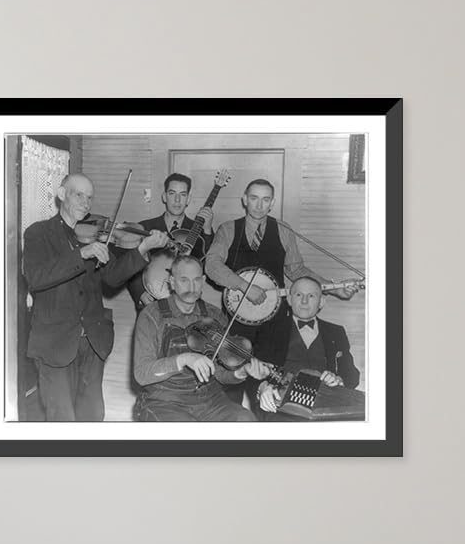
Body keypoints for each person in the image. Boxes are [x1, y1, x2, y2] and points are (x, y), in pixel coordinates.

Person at [22, 173, 169, 422]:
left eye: (89, 197)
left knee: (92, 416)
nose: (86, 202)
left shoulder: (96, 235)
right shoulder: (38, 233)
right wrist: (81, 255)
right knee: (61, 419)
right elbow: (36, 277)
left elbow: (112, 278)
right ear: (61, 194)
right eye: (78, 195)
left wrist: (143, 248)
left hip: (92, 342)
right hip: (55, 343)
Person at [204, 177, 357, 401]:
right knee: (232, 386)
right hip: (238, 321)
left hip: (274, 323)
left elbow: (297, 270)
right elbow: (211, 265)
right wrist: (245, 287)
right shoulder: (227, 229)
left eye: (265, 200)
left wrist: (334, 288)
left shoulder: (283, 230)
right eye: (254, 198)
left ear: (272, 202)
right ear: (244, 200)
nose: (259, 205)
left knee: (271, 384)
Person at [133, 256, 269, 422]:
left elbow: (220, 373)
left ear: (203, 281)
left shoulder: (214, 315)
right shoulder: (152, 315)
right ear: (172, 282)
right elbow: (142, 374)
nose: (191, 287)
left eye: (196, 280)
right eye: (184, 280)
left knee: (245, 420)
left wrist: (240, 372)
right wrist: (184, 359)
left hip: (209, 401)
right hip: (164, 401)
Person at [253, 276, 361, 419]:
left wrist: (339, 380)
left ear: (321, 302)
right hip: (280, 407)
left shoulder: (336, 332)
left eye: (311, 296)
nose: (304, 301)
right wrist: (262, 388)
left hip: (325, 407)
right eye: (299, 295)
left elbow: (352, 374)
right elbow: (253, 370)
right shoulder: (269, 329)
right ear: (289, 300)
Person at [125, 173, 214, 313]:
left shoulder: (199, 231)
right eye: (172, 193)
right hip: (151, 302)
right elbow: (129, 264)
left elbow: (209, 264)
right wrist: (140, 292)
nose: (177, 200)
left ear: (188, 199)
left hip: (188, 304)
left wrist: (207, 230)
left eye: (182, 194)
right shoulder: (145, 227)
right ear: (164, 197)